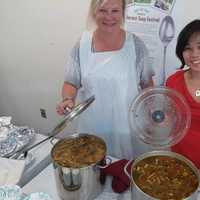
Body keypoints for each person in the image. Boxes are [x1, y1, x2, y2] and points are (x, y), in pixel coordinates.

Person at [56, 0, 154, 159]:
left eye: (115, 11)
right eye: (103, 10)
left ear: (123, 13)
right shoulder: (82, 45)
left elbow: (147, 85)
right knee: (94, 169)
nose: (109, 17)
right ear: (94, 12)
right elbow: (71, 82)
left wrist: (150, 115)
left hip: (127, 125)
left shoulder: (135, 45)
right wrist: (67, 99)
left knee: (124, 171)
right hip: (93, 125)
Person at [166, 19, 200, 168]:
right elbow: (170, 117)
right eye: (188, 48)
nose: (194, 54)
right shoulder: (173, 82)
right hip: (180, 161)